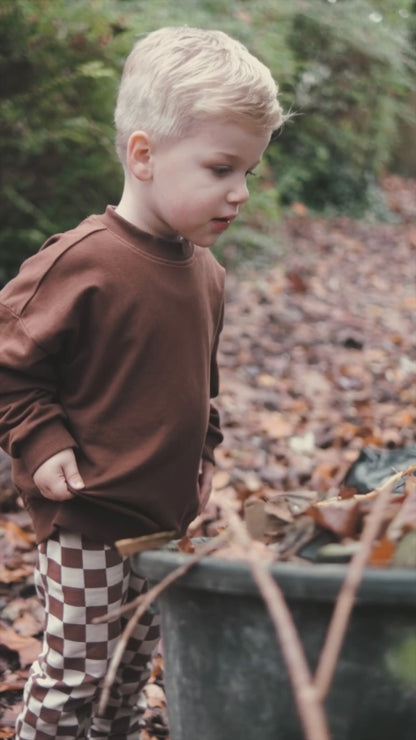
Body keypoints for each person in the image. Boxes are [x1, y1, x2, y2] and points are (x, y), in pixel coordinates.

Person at [0, 25, 285, 739]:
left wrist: (205, 459)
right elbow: (8, 360)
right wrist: (40, 440)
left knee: (132, 671)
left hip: (165, 520)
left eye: (249, 172)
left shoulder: (208, 275)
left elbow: (198, 386)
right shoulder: (84, 262)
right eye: (222, 168)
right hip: (89, 520)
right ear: (144, 154)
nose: (241, 192)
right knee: (76, 671)